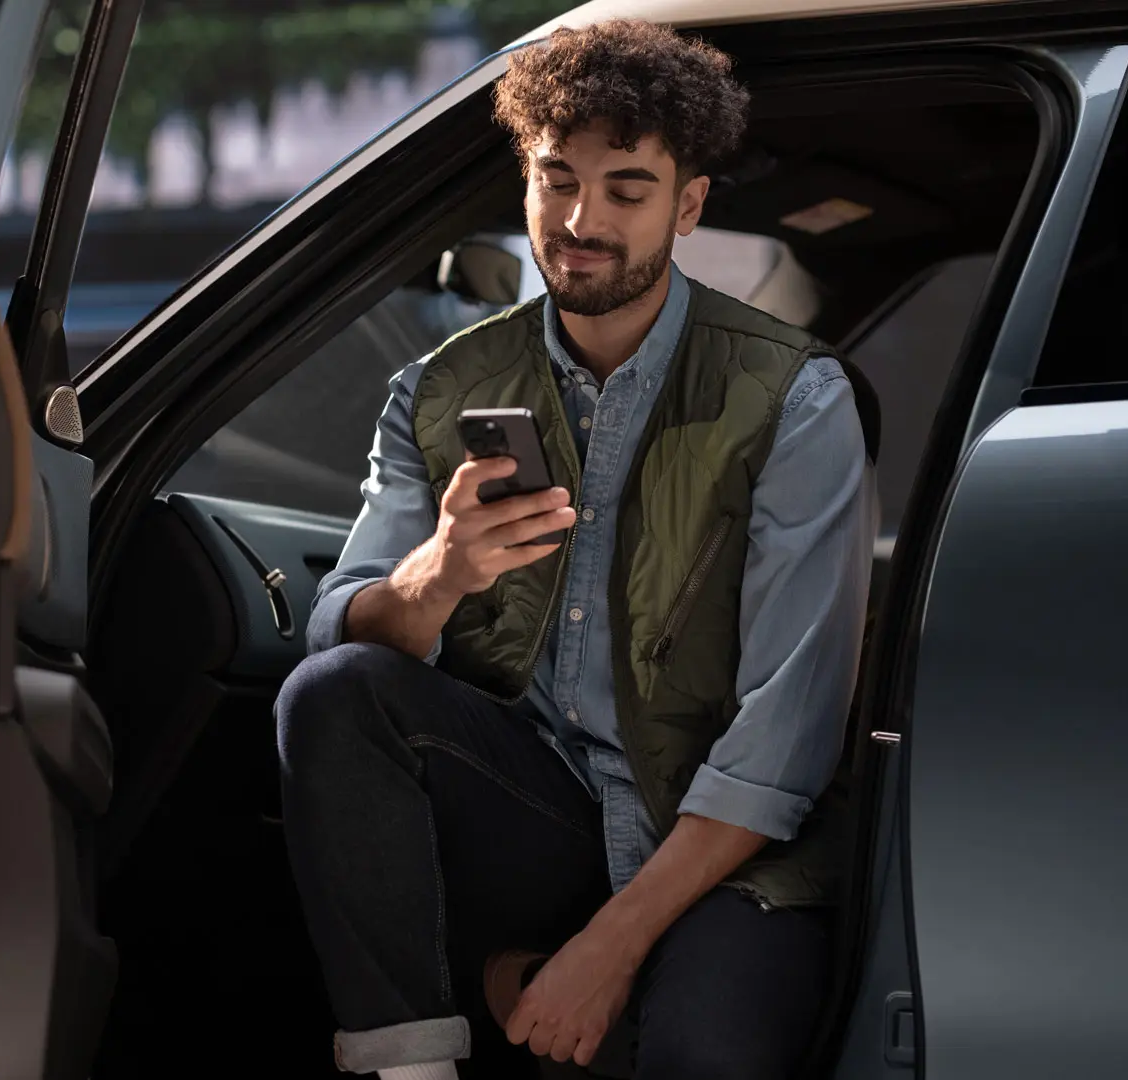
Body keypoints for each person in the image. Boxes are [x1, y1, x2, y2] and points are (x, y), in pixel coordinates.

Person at [276, 18, 879, 1080]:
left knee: (704, 1053)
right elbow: (339, 630)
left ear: (687, 206)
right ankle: (411, 1068)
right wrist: (438, 576)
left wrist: (605, 952)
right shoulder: (440, 390)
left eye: (626, 191)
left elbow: (786, 737)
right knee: (333, 693)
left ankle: (522, 976)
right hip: (538, 811)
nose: (580, 220)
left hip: (719, 847)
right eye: (555, 181)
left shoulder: (793, 397)